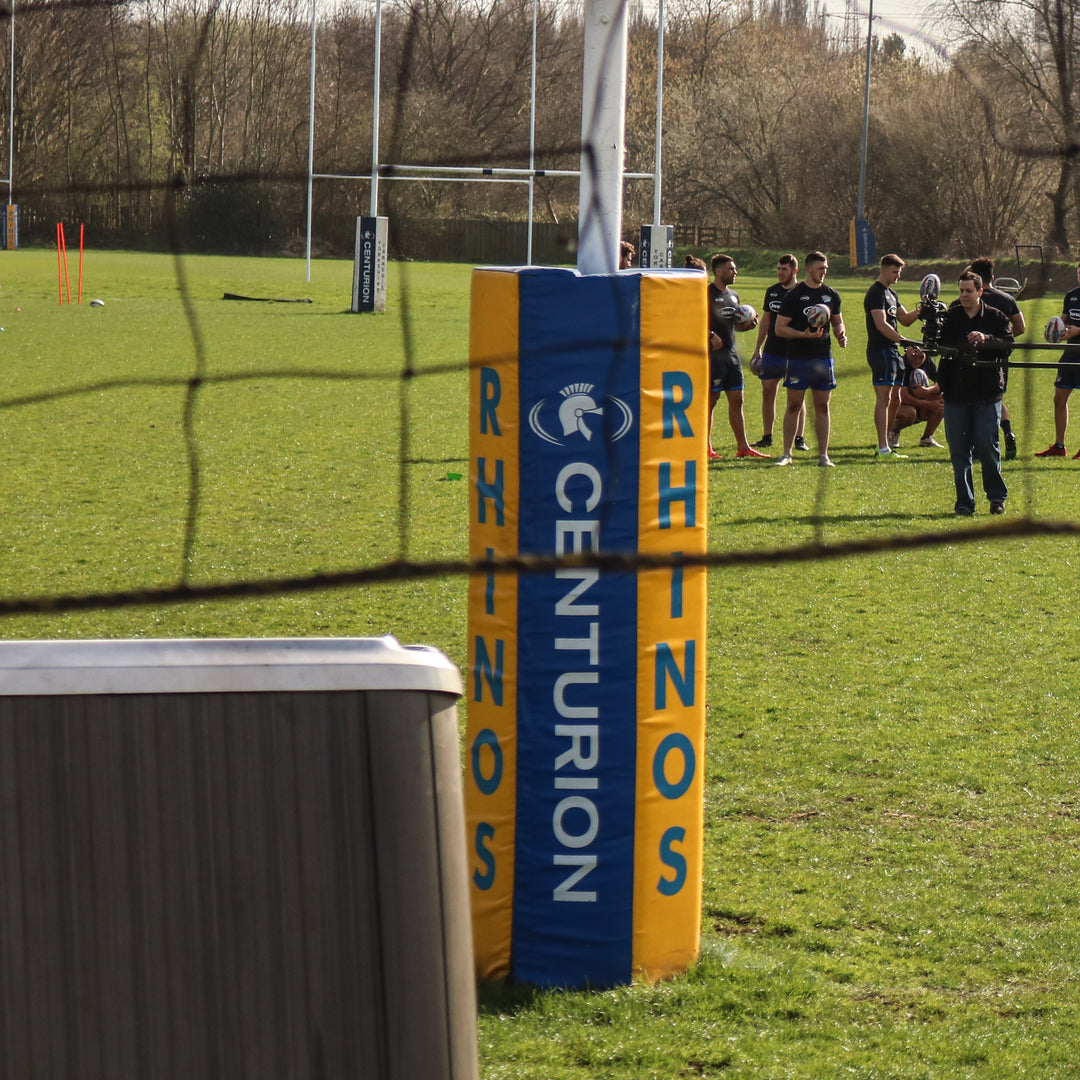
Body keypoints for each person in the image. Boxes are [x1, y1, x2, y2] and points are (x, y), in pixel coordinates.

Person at [937, 271, 1011, 515]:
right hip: (956, 395)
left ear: (980, 292)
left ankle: (996, 498)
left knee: (987, 448)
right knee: (959, 453)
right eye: (961, 291)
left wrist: (986, 338)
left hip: (986, 394)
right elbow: (941, 346)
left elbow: (1008, 345)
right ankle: (964, 503)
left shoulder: (995, 316)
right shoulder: (952, 316)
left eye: (969, 291)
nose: (964, 295)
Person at [773, 250, 847, 467]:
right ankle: (787, 454)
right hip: (798, 358)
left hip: (822, 358)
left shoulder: (832, 295)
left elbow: (837, 322)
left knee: (822, 406)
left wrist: (841, 333)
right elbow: (780, 329)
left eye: (826, 268)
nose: (824, 272)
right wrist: (802, 334)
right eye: (820, 268)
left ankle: (823, 455)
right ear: (809, 269)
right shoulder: (794, 295)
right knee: (794, 405)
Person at [706, 254, 770, 460]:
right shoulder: (706, 294)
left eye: (735, 269)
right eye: (731, 269)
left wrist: (747, 325)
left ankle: (743, 447)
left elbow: (731, 324)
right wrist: (709, 335)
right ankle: (705, 448)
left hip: (732, 357)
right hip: (712, 358)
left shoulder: (734, 296)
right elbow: (692, 320)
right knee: (711, 401)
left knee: (737, 400)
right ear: (718, 271)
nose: (735, 272)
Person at [864, 253, 922, 458]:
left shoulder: (892, 294)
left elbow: (904, 319)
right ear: (884, 269)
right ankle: (882, 447)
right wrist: (903, 341)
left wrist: (922, 309)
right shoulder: (876, 293)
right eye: (895, 271)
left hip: (893, 351)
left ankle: (886, 441)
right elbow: (880, 324)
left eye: (899, 272)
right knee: (884, 399)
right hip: (880, 350)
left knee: (895, 399)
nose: (898, 275)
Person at [749, 253, 808, 452]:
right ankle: (767, 436)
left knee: (797, 396)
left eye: (784, 269)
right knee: (768, 392)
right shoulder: (772, 292)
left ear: (794, 271)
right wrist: (758, 348)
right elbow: (766, 320)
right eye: (778, 269)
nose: (780, 273)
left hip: (795, 351)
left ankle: (799, 438)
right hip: (772, 351)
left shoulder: (802, 293)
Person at [968, 257, 1024, 459]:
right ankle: (1007, 431)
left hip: (973, 355)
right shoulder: (1007, 299)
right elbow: (1020, 327)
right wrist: (1001, 341)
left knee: (973, 399)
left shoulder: (971, 296)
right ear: (993, 277)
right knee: (995, 398)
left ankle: (979, 446)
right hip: (998, 357)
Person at [1035, 263, 1080, 458]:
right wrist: (1054, 331)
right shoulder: (1071, 296)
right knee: (1059, 399)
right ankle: (1059, 447)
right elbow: (1063, 321)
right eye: (1079, 272)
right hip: (1070, 354)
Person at [888, 346, 944, 448]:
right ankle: (892, 433)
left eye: (920, 357)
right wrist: (929, 404)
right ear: (907, 352)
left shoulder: (926, 360)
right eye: (914, 356)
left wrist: (927, 391)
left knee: (943, 402)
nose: (917, 360)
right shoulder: (901, 364)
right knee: (909, 413)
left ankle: (927, 438)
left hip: (918, 401)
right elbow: (902, 396)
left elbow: (940, 383)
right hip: (900, 405)